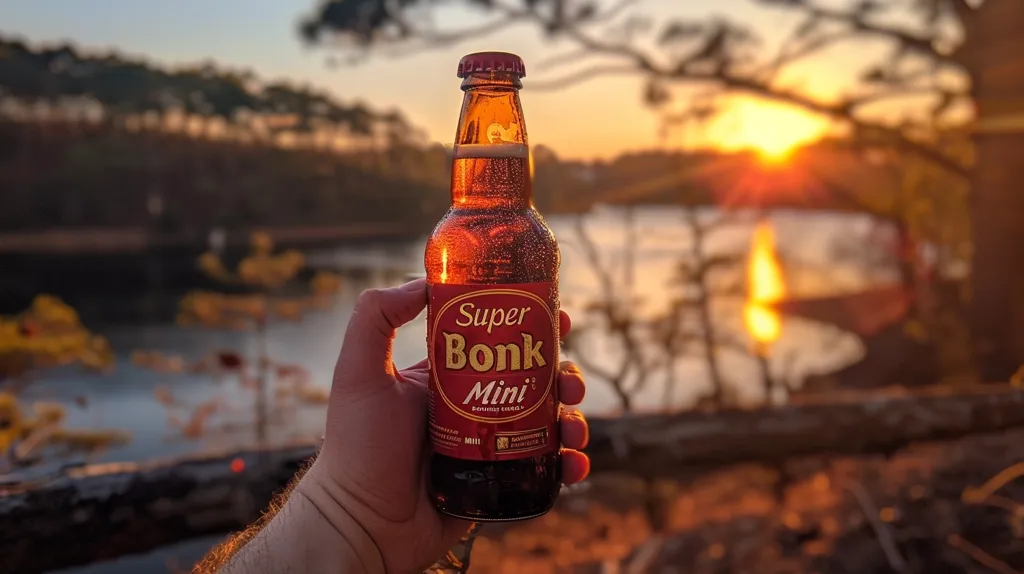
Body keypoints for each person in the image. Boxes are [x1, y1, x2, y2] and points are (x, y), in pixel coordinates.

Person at [195, 279, 591, 573]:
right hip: (439, 477)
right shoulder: (461, 231)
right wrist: (348, 509)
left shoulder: (521, 231)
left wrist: (347, 522)